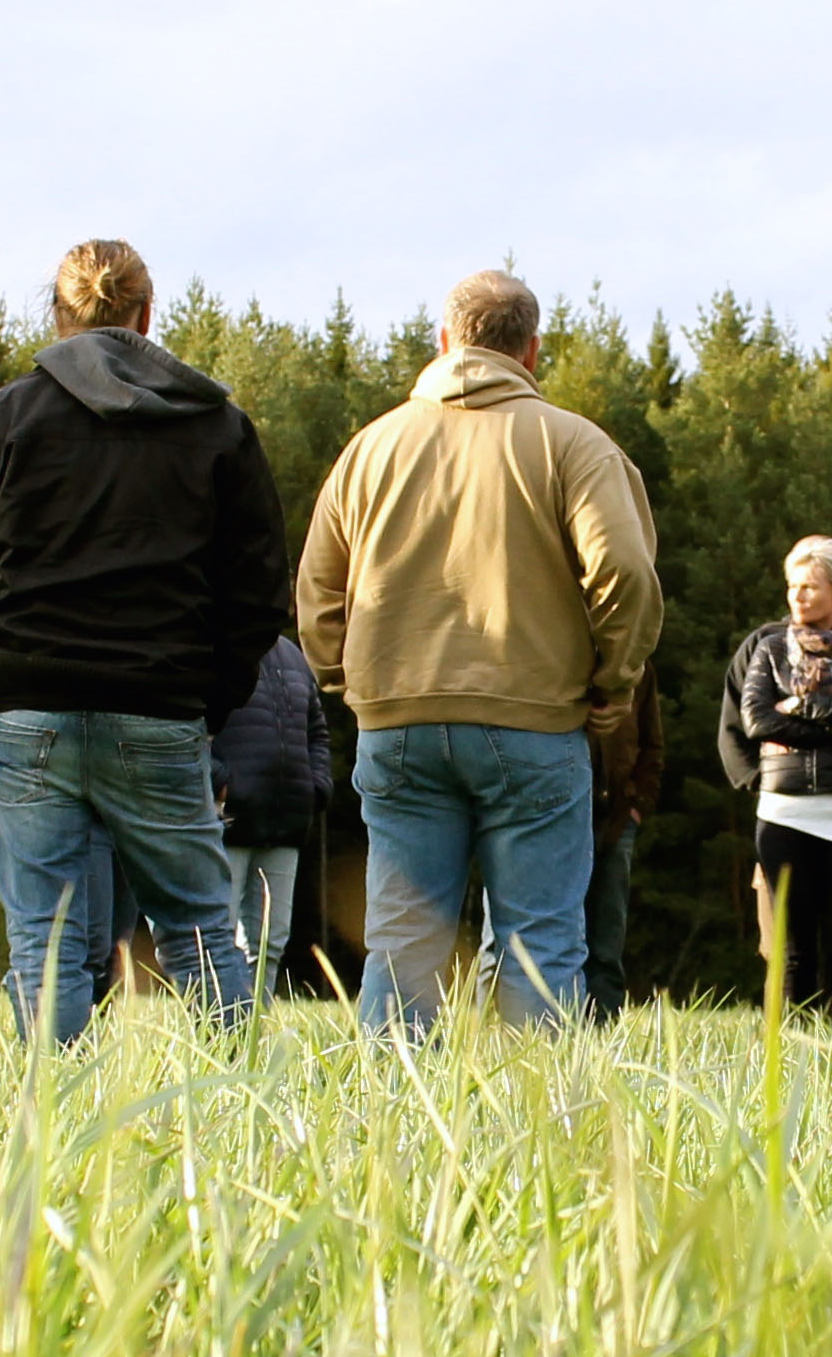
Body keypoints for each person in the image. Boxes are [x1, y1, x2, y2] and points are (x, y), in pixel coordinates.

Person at [0, 238, 287, 1042]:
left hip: (27, 703)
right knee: (197, 926)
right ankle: (232, 1109)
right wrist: (206, 697)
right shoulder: (218, 429)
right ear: (148, 316)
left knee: (44, 933)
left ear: (58, 315)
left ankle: (54, 1128)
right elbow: (255, 593)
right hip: (159, 703)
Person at [297, 269, 662, 1032]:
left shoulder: (370, 448)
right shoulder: (574, 443)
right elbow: (624, 570)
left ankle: (391, 1136)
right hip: (537, 720)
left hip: (397, 721)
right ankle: (540, 1135)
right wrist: (612, 681)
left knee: (402, 943)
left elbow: (317, 592)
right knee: (541, 941)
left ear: (444, 341)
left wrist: (349, 681)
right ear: (532, 351)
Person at [721, 537, 832, 1013]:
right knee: (792, 947)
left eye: (810, 586)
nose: (798, 595)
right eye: (793, 585)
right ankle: (794, 1052)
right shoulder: (768, 647)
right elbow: (754, 720)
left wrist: (805, 710)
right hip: (783, 808)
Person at [211, 633, 330, 997]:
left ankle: (252, 1032)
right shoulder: (212, 644)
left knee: (271, 940)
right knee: (219, 937)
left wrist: (316, 787)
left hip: (284, 823)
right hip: (226, 822)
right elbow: (189, 725)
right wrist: (218, 783)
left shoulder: (293, 654)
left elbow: (317, 730)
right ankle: (216, 1033)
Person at [583, 663, 663, 1017]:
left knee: (608, 931)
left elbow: (652, 740)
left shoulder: (638, 663)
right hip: (557, 810)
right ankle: (543, 1026)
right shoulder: (555, 644)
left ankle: (602, 1028)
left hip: (617, 814)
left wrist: (638, 803)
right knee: (552, 927)